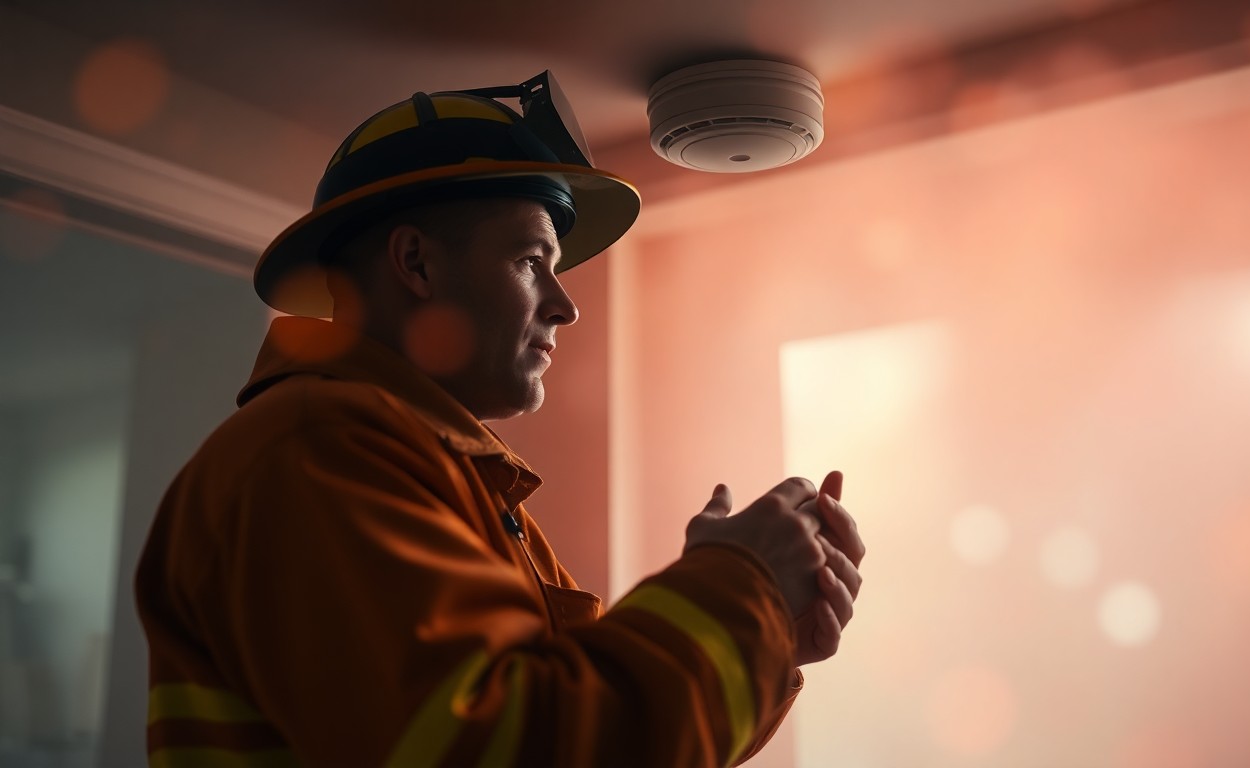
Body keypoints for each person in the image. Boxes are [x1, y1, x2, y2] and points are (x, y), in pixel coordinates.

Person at [135, 72, 865, 767]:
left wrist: (765, 631)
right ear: (416, 263)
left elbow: (591, 735)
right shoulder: (321, 451)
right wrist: (739, 586)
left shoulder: (434, 470)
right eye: (530, 261)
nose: (565, 305)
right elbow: (509, 750)